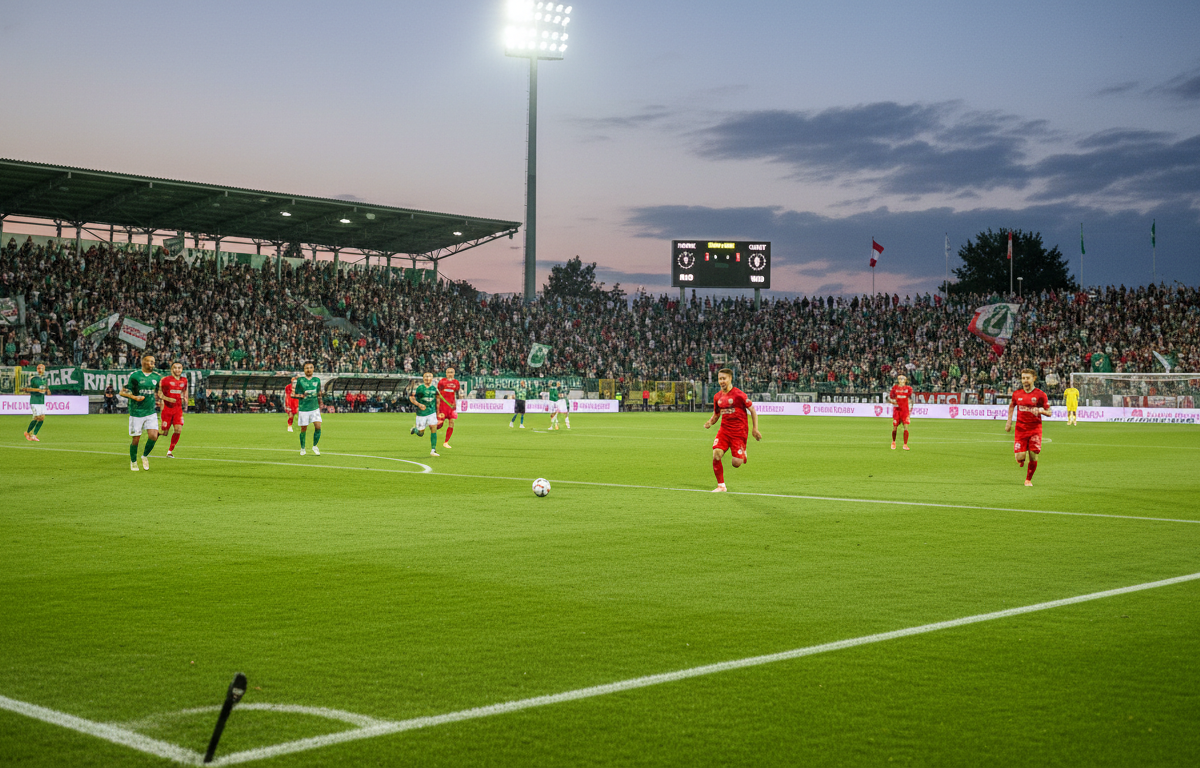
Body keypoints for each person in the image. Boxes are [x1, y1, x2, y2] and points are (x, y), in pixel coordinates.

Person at [703, 368, 762, 492]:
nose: (721, 381)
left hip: (739, 432)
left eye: (724, 378)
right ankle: (721, 486)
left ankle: (743, 453)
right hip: (724, 431)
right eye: (720, 379)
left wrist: (755, 429)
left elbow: (752, 410)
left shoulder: (739, 394)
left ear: (730, 378)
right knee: (716, 454)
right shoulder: (717, 397)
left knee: (736, 463)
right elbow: (716, 414)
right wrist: (710, 422)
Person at [1006, 368, 1052, 486]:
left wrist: (1041, 410)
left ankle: (1028, 479)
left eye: (1027, 378)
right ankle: (1021, 457)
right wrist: (1009, 422)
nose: (1025, 380)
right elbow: (1012, 406)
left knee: (1033, 454)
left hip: (1035, 429)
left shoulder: (1040, 395)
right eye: (1023, 378)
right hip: (1020, 429)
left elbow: (1049, 412)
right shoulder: (1017, 394)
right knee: (1020, 457)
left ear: (1034, 379)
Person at [119, 353, 163, 471]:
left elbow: (159, 393)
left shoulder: (157, 377)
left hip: (151, 411)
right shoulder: (135, 376)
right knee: (136, 439)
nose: (152, 364)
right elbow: (122, 392)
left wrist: (161, 402)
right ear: (143, 362)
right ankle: (133, 461)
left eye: (153, 362)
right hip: (136, 412)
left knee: (154, 436)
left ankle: (144, 456)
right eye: (150, 361)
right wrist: (135, 397)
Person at [157, 361, 188, 458]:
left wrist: (185, 401)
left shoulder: (184, 381)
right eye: (175, 368)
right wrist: (167, 399)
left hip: (178, 410)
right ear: (171, 369)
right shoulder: (165, 380)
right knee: (164, 433)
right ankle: (155, 433)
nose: (177, 370)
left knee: (178, 430)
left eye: (179, 368)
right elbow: (159, 394)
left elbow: (184, 391)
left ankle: (169, 451)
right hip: (167, 409)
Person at [294, 362, 323, 456]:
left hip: (315, 408)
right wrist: (301, 395)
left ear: (313, 369)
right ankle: (302, 448)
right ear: (304, 370)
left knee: (318, 427)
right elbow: (295, 394)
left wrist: (320, 402)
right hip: (304, 408)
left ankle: (315, 446)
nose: (309, 369)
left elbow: (319, 392)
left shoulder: (317, 380)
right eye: (307, 368)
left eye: (311, 367)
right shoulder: (300, 380)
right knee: (303, 429)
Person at [409, 371, 440, 457]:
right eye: (426, 376)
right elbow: (411, 398)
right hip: (421, 414)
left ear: (432, 378)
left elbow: (438, 400)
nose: (427, 378)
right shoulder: (420, 388)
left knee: (434, 428)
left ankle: (433, 450)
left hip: (432, 412)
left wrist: (439, 412)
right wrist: (419, 404)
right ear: (423, 378)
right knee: (421, 433)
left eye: (429, 376)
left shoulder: (434, 389)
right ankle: (414, 430)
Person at [22, 363, 49, 441]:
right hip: (34, 400)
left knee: (42, 418)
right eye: (39, 368)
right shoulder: (33, 378)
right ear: (37, 369)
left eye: (42, 368)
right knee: (37, 417)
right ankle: (27, 432)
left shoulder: (44, 379)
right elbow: (26, 389)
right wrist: (38, 390)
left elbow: (45, 388)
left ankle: (34, 435)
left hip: (41, 400)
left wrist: (47, 390)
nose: (40, 370)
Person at [436, 366, 461, 448]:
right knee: (440, 423)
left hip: (451, 406)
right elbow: (438, 393)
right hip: (443, 406)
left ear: (454, 373)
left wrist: (457, 401)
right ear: (446, 373)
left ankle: (446, 442)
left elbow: (456, 393)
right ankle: (428, 427)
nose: (450, 374)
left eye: (451, 372)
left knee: (451, 422)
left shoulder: (456, 382)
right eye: (448, 372)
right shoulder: (442, 381)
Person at [888, 374, 914, 450]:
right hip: (897, 410)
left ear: (905, 380)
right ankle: (893, 442)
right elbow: (891, 397)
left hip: (905, 410)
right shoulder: (895, 388)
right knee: (895, 427)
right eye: (900, 379)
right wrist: (892, 401)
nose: (901, 380)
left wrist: (910, 408)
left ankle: (905, 444)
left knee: (906, 427)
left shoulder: (908, 388)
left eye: (903, 379)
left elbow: (910, 398)